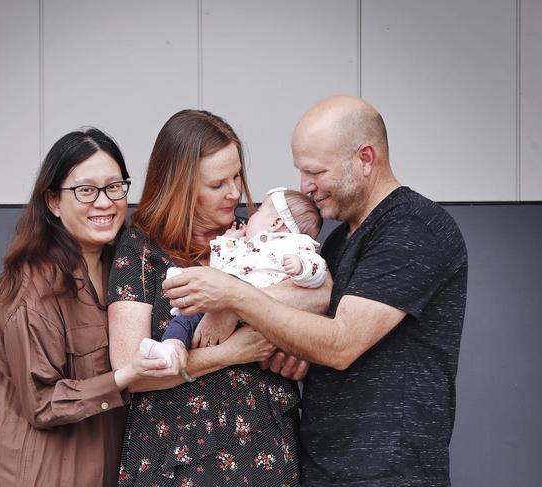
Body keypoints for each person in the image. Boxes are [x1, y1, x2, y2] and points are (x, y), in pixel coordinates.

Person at [162, 95, 468, 486]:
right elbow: (315, 320)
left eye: (316, 172)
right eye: (300, 172)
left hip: (388, 469)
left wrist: (232, 297)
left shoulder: (411, 228)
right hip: (323, 464)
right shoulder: (338, 242)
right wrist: (295, 345)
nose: (305, 187)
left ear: (366, 158)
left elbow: (341, 344)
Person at [107, 109, 327, 486]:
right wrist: (235, 351)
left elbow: (320, 293)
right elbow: (130, 371)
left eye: (237, 175)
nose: (235, 192)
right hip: (176, 454)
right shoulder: (142, 250)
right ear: (178, 185)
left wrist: (231, 302)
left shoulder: (259, 237)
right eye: (217, 184)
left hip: (263, 444)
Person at [0, 128, 173, 487]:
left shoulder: (128, 269)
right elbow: (42, 402)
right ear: (52, 201)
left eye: (115, 187)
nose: (104, 202)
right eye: (86, 190)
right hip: (42, 475)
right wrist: (124, 377)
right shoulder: (31, 285)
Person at [142, 187, 326, 363]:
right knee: (186, 316)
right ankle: (172, 347)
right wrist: (228, 241)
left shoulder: (296, 246)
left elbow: (319, 270)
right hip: (220, 297)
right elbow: (220, 268)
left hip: (252, 313)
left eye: (259, 210)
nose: (251, 216)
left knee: (219, 289)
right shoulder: (246, 246)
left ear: (275, 222)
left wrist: (301, 267)